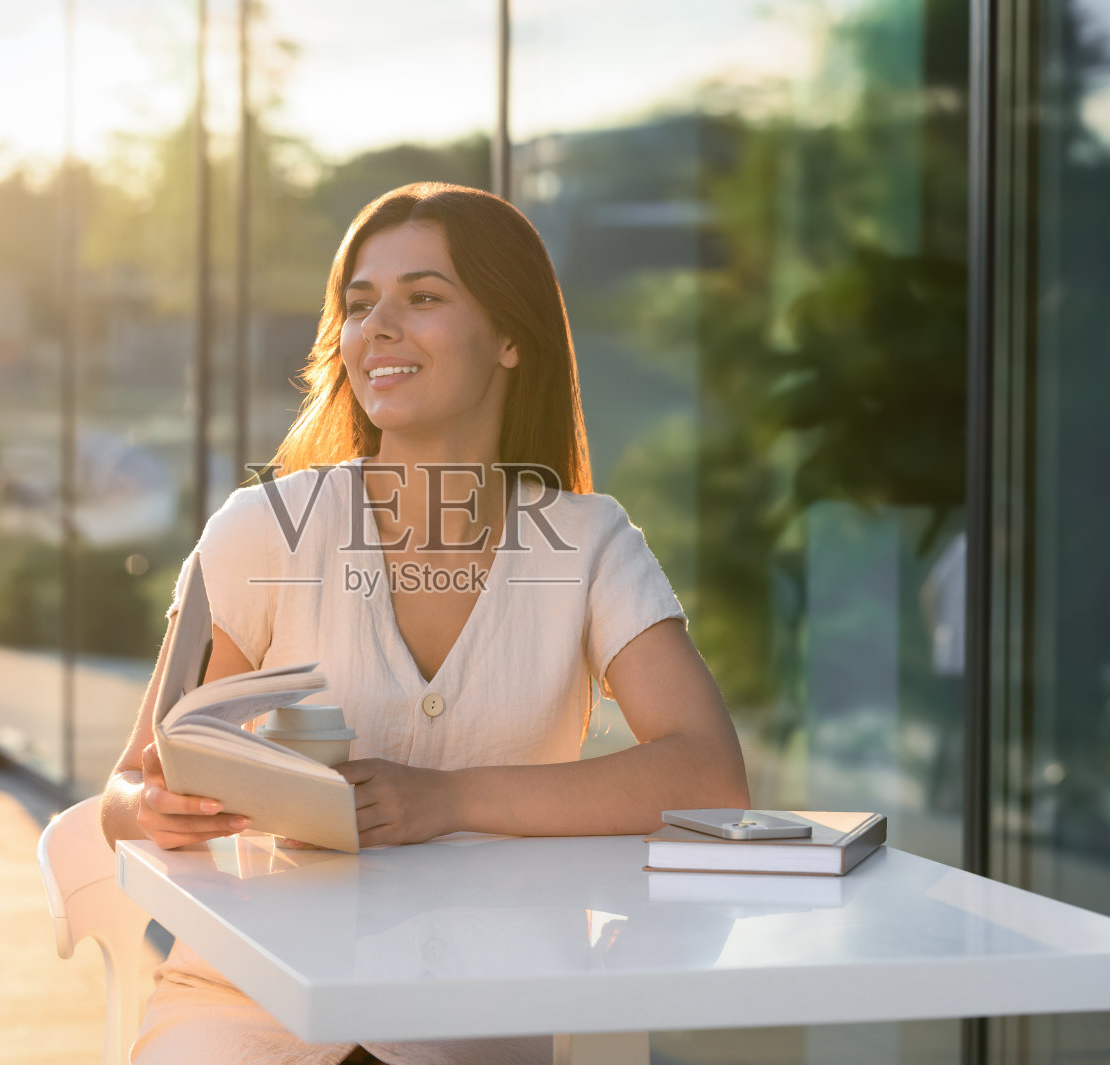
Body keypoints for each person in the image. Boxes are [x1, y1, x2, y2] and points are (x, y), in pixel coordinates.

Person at [99, 182, 750, 1065]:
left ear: (511, 338)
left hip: (476, 1012)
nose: (379, 329)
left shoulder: (588, 540)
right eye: (360, 306)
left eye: (425, 297)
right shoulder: (263, 527)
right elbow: (124, 793)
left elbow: (708, 774)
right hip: (254, 1001)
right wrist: (161, 807)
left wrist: (442, 799)